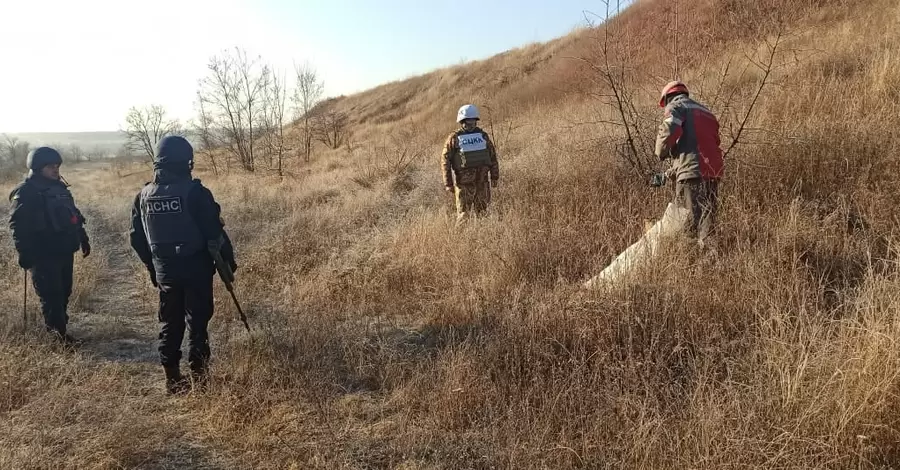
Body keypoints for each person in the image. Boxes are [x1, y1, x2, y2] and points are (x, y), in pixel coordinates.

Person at [129, 135, 237, 395]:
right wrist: (228, 264)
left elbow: (136, 238)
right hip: (196, 268)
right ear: (186, 162)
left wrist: (152, 267)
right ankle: (200, 379)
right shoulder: (197, 193)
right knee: (197, 322)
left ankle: (172, 379)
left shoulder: (142, 196)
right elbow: (215, 234)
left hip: (165, 270)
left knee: (170, 322)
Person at [8, 147, 90, 344]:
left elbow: (74, 216)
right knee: (51, 296)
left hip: (64, 250)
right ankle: (58, 338)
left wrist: (83, 237)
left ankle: (60, 329)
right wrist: (25, 252)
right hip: (42, 254)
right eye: (50, 166)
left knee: (64, 292)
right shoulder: (26, 192)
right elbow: (17, 225)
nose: (55, 170)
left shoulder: (60, 188)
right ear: (37, 167)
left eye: (57, 166)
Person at [653, 81, 724, 248]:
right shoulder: (706, 113)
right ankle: (710, 258)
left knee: (686, 220)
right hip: (713, 172)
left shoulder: (677, 107)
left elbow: (669, 130)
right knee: (707, 221)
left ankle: (689, 260)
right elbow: (703, 146)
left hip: (691, 174)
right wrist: (668, 173)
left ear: (669, 97)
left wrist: (661, 152)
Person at [441, 104, 500, 223]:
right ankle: (460, 241)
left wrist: (495, 176)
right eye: (467, 121)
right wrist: (448, 183)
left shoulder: (483, 136)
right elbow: (445, 160)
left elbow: (492, 156)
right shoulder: (454, 138)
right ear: (462, 121)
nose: (470, 124)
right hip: (464, 184)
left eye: (473, 120)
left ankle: (482, 238)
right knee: (463, 216)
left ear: (476, 121)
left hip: (482, 183)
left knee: (483, 214)